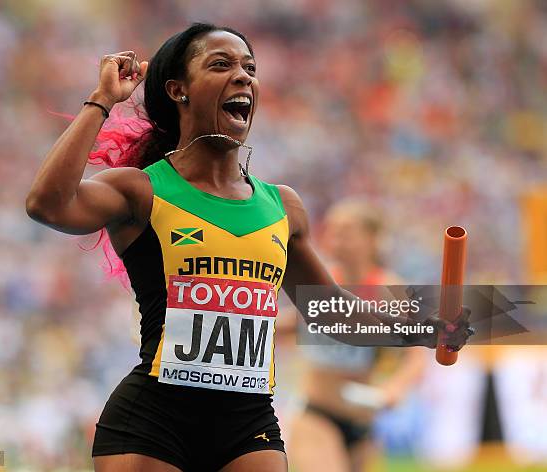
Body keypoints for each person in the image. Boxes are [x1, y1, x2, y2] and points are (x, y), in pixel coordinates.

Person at [26, 22, 472, 472]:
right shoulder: (139, 190)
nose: (243, 76)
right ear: (178, 90)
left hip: (248, 423)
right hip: (152, 420)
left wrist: (422, 325)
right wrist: (102, 100)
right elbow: (46, 204)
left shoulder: (283, 207)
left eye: (250, 67)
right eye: (221, 65)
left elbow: (332, 312)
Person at [288, 200, 426, 472]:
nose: (335, 239)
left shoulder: (391, 290)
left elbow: (416, 356)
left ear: (372, 240)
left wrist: (395, 388)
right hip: (316, 414)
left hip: (364, 424)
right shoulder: (320, 281)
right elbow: (291, 323)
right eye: (332, 230)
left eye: (346, 231)